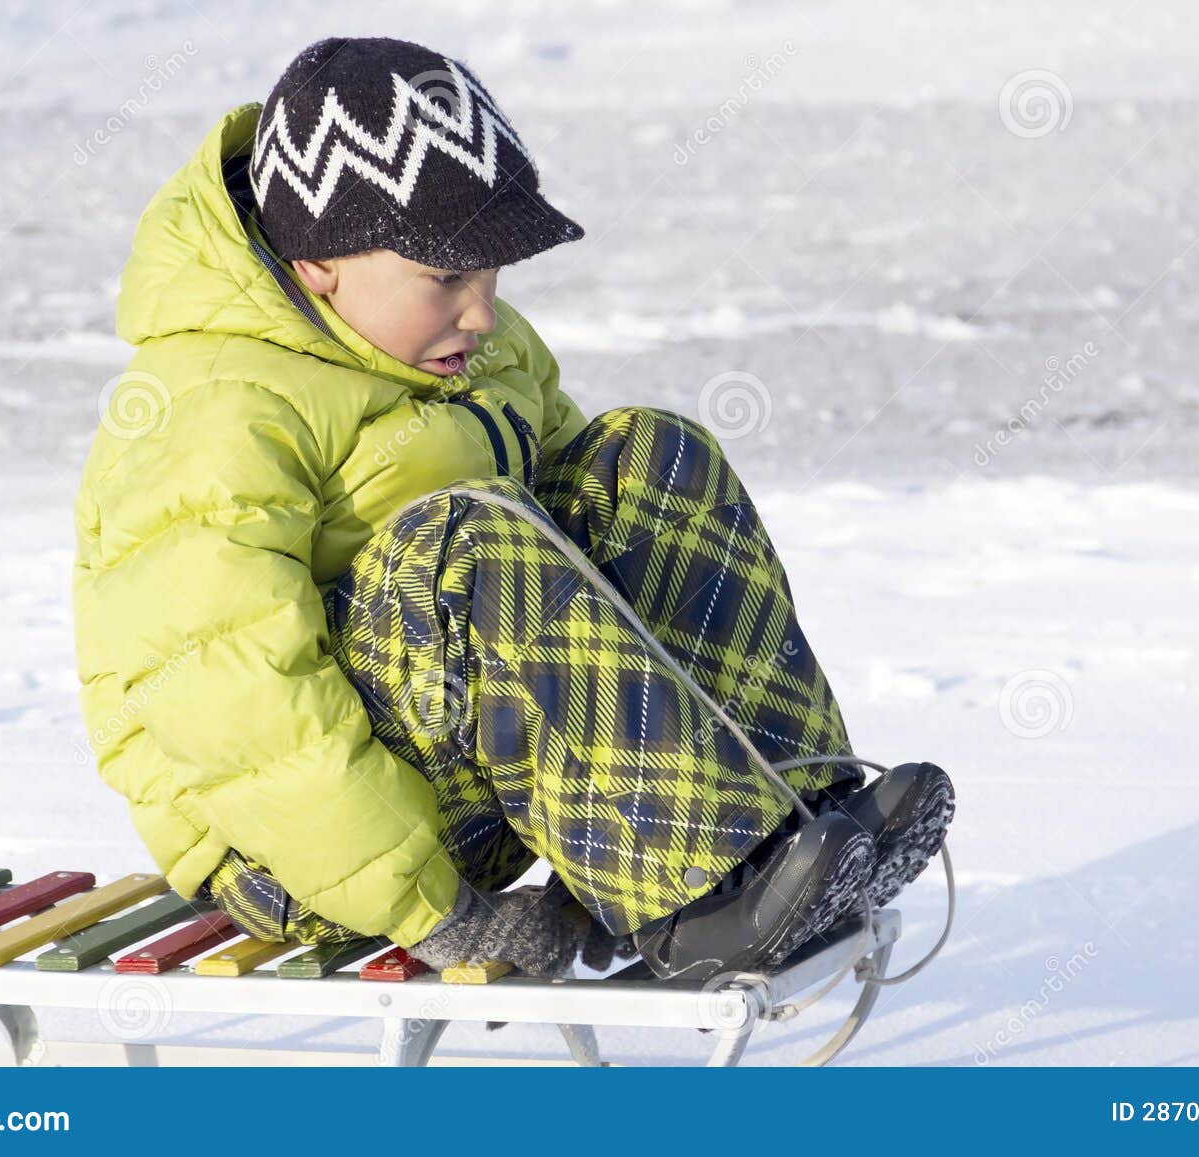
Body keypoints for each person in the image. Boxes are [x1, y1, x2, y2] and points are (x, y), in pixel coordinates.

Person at [71, 35, 954, 985]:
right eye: (448, 278)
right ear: (321, 260)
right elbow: (238, 706)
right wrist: (441, 918)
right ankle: (694, 899)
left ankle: (792, 821)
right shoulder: (212, 409)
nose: (482, 314)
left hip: (474, 775)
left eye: (493, 278)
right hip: (292, 855)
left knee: (647, 458)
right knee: (468, 544)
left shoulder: (469, 353)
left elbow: (585, 540)